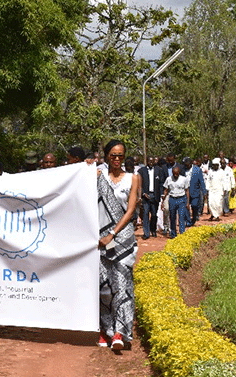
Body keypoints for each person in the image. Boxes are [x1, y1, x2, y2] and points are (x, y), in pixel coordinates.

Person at [96, 140, 140, 351]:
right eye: (113, 155)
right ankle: (105, 330)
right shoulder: (97, 176)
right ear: (106, 156)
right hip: (99, 239)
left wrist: (112, 234)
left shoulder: (133, 178)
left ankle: (120, 332)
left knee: (122, 285)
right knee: (104, 287)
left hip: (122, 238)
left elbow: (130, 211)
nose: (116, 159)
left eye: (120, 155)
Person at [137, 156, 165, 239]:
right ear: (147, 162)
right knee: (145, 214)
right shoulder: (142, 171)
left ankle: (153, 230)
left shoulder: (158, 170)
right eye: (149, 161)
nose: (151, 163)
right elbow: (139, 184)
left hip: (155, 195)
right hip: (146, 196)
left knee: (154, 214)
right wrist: (142, 193)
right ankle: (146, 233)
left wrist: (161, 194)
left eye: (152, 161)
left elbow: (161, 183)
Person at [161, 165, 191, 238]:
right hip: (172, 199)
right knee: (172, 217)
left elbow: (187, 191)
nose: (175, 175)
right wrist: (163, 201)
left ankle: (182, 234)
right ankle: (173, 234)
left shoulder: (184, 179)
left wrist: (187, 202)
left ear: (179, 173)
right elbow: (165, 190)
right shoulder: (168, 179)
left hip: (181, 199)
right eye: (174, 173)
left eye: (177, 173)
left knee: (181, 217)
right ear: (172, 173)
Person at [183, 157, 206, 226]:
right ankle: (188, 221)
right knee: (186, 207)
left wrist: (204, 191)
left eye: (188, 164)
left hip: (195, 191)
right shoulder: (183, 170)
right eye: (185, 165)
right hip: (185, 191)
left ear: (191, 163)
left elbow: (202, 181)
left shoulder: (197, 170)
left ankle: (194, 218)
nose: (187, 166)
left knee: (194, 205)